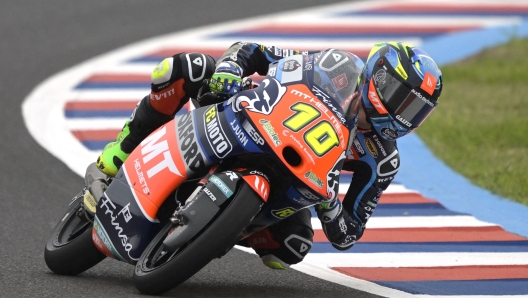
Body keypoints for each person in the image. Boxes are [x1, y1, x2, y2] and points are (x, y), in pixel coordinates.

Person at [95, 41, 443, 269]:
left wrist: (330, 203)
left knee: (292, 247)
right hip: (246, 116)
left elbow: (348, 234)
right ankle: (120, 153)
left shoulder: (382, 159)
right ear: (379, 77)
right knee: (188, 67)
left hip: (289, 176)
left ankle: (220, 228)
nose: (403, 113)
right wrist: (232, 68)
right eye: (402, 97)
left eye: (416, 110)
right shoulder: (338, 67)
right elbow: (255, 52)